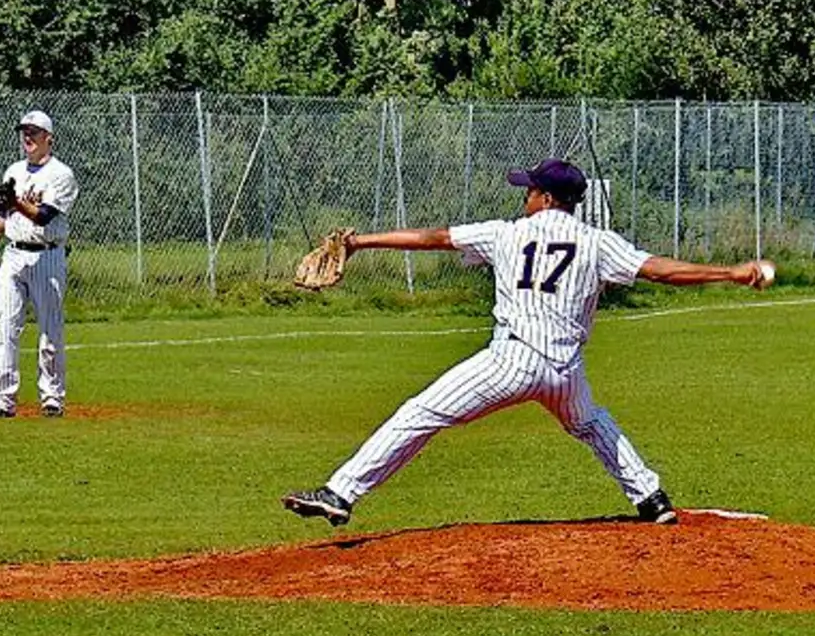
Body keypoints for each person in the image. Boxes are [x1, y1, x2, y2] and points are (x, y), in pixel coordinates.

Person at [282, 157, 772, 526]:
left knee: (420, 413)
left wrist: (361, 242)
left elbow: (433, 238)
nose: (525, 197)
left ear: (544, 197)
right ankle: (651, 499)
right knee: (590, 423)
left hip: (511, 361)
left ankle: (341, 493)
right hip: (563, 371)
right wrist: (731, 272)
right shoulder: (598, 242)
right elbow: (661, 271)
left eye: (529, 190)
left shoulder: (505, 234)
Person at [0, 110, 80, 418]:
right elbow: (4, 216)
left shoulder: (61, 175)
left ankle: (52, 398)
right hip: (14, 254)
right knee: (5, 324)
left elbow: (43, 216)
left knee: (50, 330)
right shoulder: (15, 170)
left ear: (49, 138)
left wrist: (13, 202)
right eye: (24, 131)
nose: (28, 136)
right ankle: (2, 400)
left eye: (34, 131)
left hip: (46, 255)